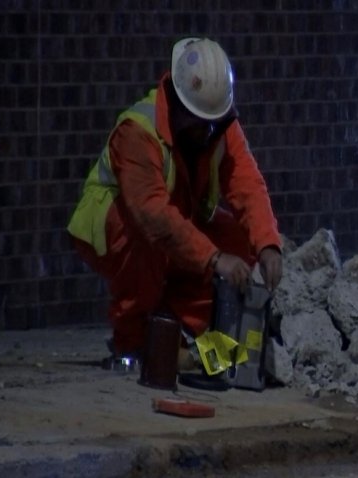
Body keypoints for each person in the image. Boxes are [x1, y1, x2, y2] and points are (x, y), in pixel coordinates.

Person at [67, 38, 282, 359]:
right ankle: (135, 342)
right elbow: (152, 214)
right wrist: (213, 258)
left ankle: (181, 333)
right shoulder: (138, 131)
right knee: (147, 240)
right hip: (117, 232)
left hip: (174, 221)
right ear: (179, 106)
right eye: (199, 124)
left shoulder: (218, 123)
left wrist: (267, 244)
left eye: (213, 124)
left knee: (239, 242)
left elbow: (246, 182)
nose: (207, 132)